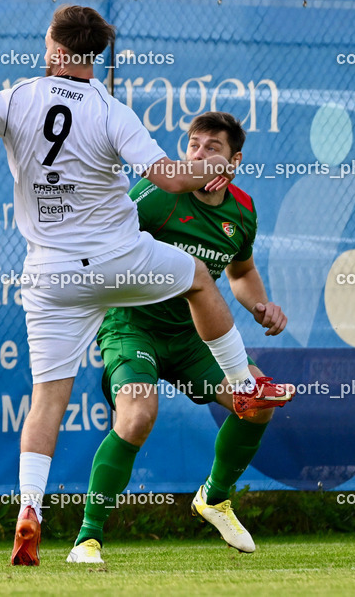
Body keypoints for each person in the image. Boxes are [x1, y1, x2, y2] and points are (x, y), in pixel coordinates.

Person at [0, 5, 294, 567]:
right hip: (120, 264)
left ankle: (30, 508)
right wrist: (207, 169)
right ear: (93, 55)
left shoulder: (17, 97)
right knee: (197, 278)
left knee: (47, 400)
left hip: (50, 274)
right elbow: (169, 177)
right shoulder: (109, 109)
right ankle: (242, 384)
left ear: (55, 48)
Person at [69, 111, 286, 567]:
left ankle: (214, 498)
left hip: (194, 341)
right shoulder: (157, 195)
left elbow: (241, 271)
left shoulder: (242, 211)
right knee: (138, 415)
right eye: (193, 145)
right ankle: (87, 539)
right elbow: (106, 245)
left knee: (258, 403)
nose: (199, 155)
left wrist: (260, 304)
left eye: (213, 148)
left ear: (234, 161)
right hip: (133, 327)